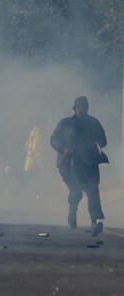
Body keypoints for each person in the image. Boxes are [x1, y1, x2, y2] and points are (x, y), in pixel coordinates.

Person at [50, 96, 108, 235]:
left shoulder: (94, 123)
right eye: (79, 107)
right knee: (76, 191)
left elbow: (103, 140)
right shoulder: (65, 123)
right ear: (75, 108)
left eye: (84, 107)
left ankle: (95, 222)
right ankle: (72, 214)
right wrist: (64, 149)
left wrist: (97, 143)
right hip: (69, 164)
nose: (82, 109)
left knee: (93, 191)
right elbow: (54, 139)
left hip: (89, 163)